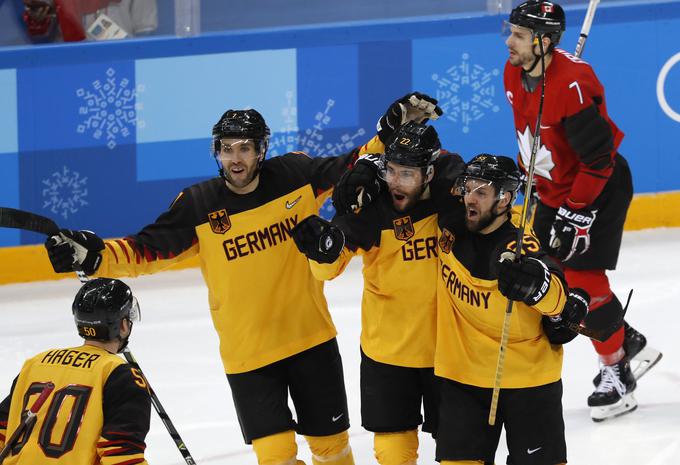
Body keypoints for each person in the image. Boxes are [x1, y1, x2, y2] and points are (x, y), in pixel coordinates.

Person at [42, 108, 380, 465]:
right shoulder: (199, 204)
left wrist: (389, 132)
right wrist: (96, 256)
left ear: (261, 150)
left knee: (332, 452)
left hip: (311, 340)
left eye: (245, 148)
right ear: (216, 151)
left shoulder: (295, 174)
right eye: (227, 148)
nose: (236, 158)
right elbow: (146, 248)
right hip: (248, 356)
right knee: (276, 458)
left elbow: (355, 163)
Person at [503, 0, 662, 421]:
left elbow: (598, 159)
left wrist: (577, 211)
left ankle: (618, 373)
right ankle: (625, 340)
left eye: (518, 35)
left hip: (597, 188)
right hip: (554, 191)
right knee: (550, 271)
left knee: (582, 281)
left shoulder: (572, 84)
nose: (509, 42)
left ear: (543, 40)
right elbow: (530, 132)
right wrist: (529, 177)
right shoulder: (514, 72)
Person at [291, 121, 464, 465]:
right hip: (388, 353)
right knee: (391, 456)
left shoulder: (451, 192)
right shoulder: (371, 205)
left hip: (451, 353)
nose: (396, 183)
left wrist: (368, 163)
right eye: (392, 171)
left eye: (407, 174)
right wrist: (320, 252)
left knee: (463, 454)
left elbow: (462, 174)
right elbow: (330, 264)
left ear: (429, 173)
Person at [434, 154, 587, 465]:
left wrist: (535, 286)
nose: (469, 198)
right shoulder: (451, 220)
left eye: (481, 192)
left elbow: (557, 295)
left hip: (527, 380)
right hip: (464, 378)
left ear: (504, 199)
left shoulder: (518, 247)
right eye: (468, 188)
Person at [0, 278, 150, 464]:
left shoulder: (36, 363)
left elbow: (2, 430)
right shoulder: (121, 376)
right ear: (123, 325)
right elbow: (121, 456)